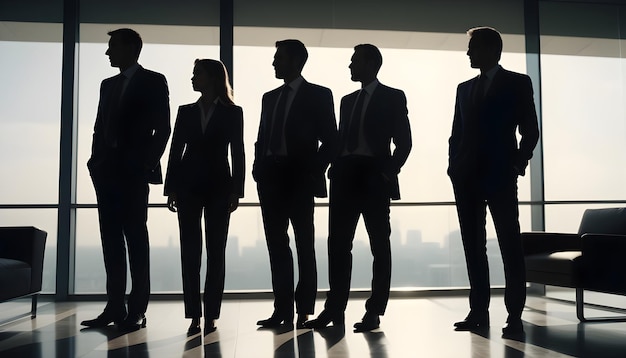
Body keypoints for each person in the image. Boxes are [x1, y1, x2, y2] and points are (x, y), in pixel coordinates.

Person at [305, 44, 412, 332]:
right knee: (337, 246)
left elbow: (404, 143)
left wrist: (387, 174)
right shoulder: (347, 100)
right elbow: (340, 139)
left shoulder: (393, 97)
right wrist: (328, 167)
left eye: (354, 61)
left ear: (370, 64)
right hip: (344, 177)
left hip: (374, 178)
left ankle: (374, 311)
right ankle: (334, 309)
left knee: (380, 245)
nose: (350, 66)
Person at [447, 27, 539, 338]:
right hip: (466, 177)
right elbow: (456, 133)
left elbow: (530, 130)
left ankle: (514, 315)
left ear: (490, 49)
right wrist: (453, 167)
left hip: (500, 174)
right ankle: (479, 312)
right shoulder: (463, 88)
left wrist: (517, 163)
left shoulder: (517, 83)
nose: (468, 53)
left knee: (509, 244)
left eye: (472, 47)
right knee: (472, 246)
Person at [82, 28, 171, 331]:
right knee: (110, 242)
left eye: (112, 47)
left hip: (133, 173)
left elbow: (163, 128)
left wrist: (146, 163)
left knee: (135, 240)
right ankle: (115, 307)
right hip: (106, 173)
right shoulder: (107, 85)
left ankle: (137, 310)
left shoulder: (153, 81)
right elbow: (98, 128)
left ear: (131, 48)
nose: (107, 53)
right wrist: (95, 162)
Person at [253, 39, 337, 329]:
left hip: (299, 179)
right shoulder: (269, 97)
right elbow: (261, 137)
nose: (274, 63)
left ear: (296, 61)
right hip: (270, 179)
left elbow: (331, 139)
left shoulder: (319, 95)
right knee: (276, 246)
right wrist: (257, 168)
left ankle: (303, 310)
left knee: (304, 246)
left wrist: (313, 170)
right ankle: (282, 310)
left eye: (279, 57)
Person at [164, 59, 245, 335]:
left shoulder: (234, 113)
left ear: (211, 77)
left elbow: (239, 152)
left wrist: (237, 189)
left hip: (220, 187)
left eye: (197, 74)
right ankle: (194, 315)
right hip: (187, 186)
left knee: (216, 252)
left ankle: (211, 314)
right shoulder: (185, 111)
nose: (192, 78)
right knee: (190, 251)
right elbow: (175, 150)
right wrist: (170, 188)